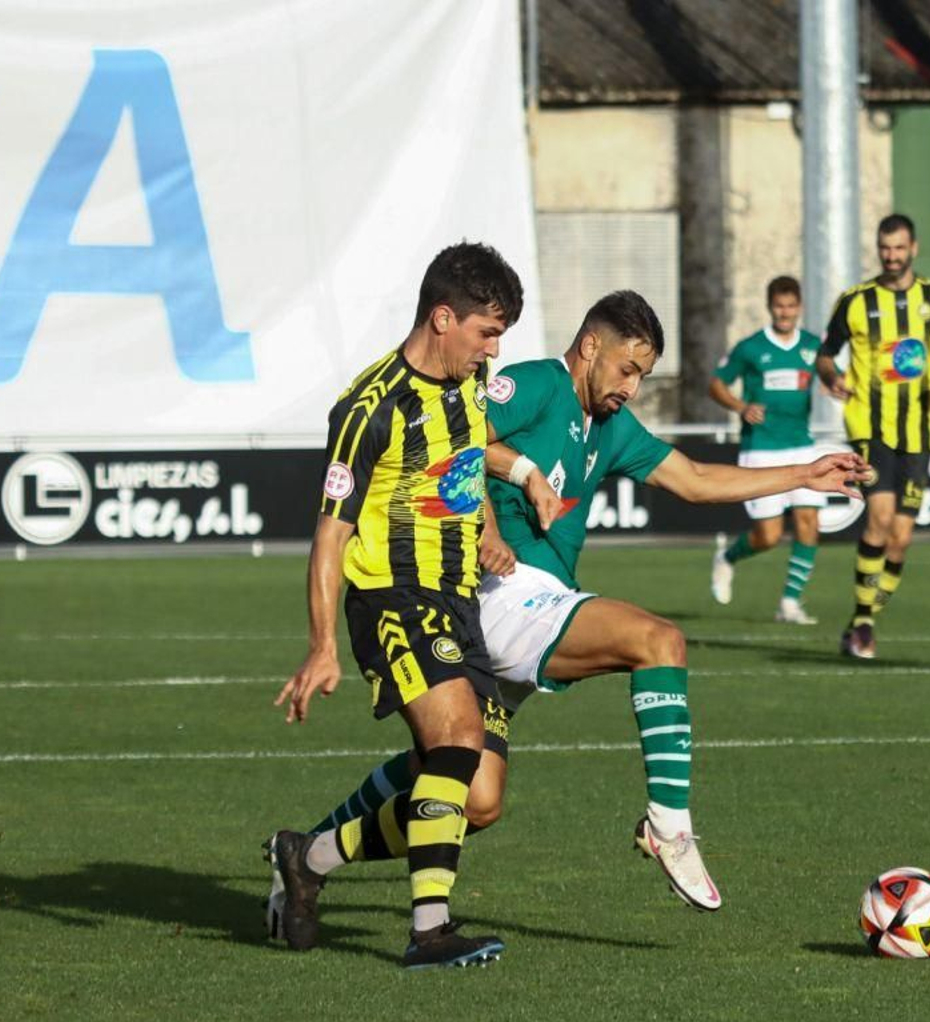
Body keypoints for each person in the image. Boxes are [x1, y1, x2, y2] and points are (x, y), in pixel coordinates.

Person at [267, 291, 871, 931]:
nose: (632, 388)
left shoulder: (610, 428)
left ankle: (307, 855)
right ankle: (669, 828)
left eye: (642, 375)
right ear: (590, 348)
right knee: (658, 641)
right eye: (627, 369)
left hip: (526, 606)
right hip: (500, 593)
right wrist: (490, 521)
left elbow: (693, 480)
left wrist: (802, 473)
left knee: (470, 795)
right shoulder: (534, 387)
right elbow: (456, 441)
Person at [265, 242, 524, 969]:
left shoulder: (469, 385)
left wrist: (495, 524)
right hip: (392, 598)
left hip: (461, 601)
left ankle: (309, 856)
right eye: (485, 332)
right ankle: (430, 930)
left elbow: (468, 463)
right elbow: (329, 532)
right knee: (456, 739)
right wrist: (321, 645)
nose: (493, 349)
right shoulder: (368, 407)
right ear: (443, 317)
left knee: (479, 799)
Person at [815, 214, 930, 660]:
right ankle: (865, 624)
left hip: (919, 429)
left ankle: (859, 618)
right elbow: (825, 354)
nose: (891, 255)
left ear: (913, 248)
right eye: (885, 247)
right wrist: (832, 377)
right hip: (869, 425)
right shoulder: (855, 301)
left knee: (901, 539)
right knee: (880, 520)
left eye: (899, 248)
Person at [707, 275, 827, 624]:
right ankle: (728, 558)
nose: (785, 312)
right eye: (779, 306)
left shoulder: (812, 345)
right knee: (769, 535)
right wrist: (740, 406)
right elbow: (716, 384)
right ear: (770, 307)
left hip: (802, 446)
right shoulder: (750, 348)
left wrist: (835, 385)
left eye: (791, 306)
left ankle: (789, 603)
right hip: (761, 448)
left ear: (799, 307)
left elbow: (830, 372)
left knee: (808, 522)